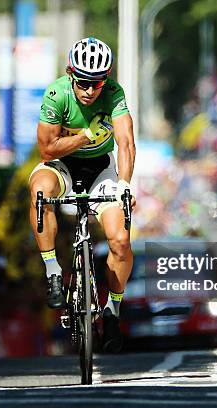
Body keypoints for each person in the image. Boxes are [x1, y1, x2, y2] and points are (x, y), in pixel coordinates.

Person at [28, 37, 136, 353]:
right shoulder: (56, 95)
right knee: (39, 191)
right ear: (70, 74)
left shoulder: (114, 94)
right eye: (84, 83)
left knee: (120, 239)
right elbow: (47, 148)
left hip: (101, 169)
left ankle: (113, 309)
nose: (90, 91)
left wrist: (125, 185)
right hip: (61, 166)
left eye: (97, 83)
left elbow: (126, 142)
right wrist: (87, 136)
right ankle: (53, 272)